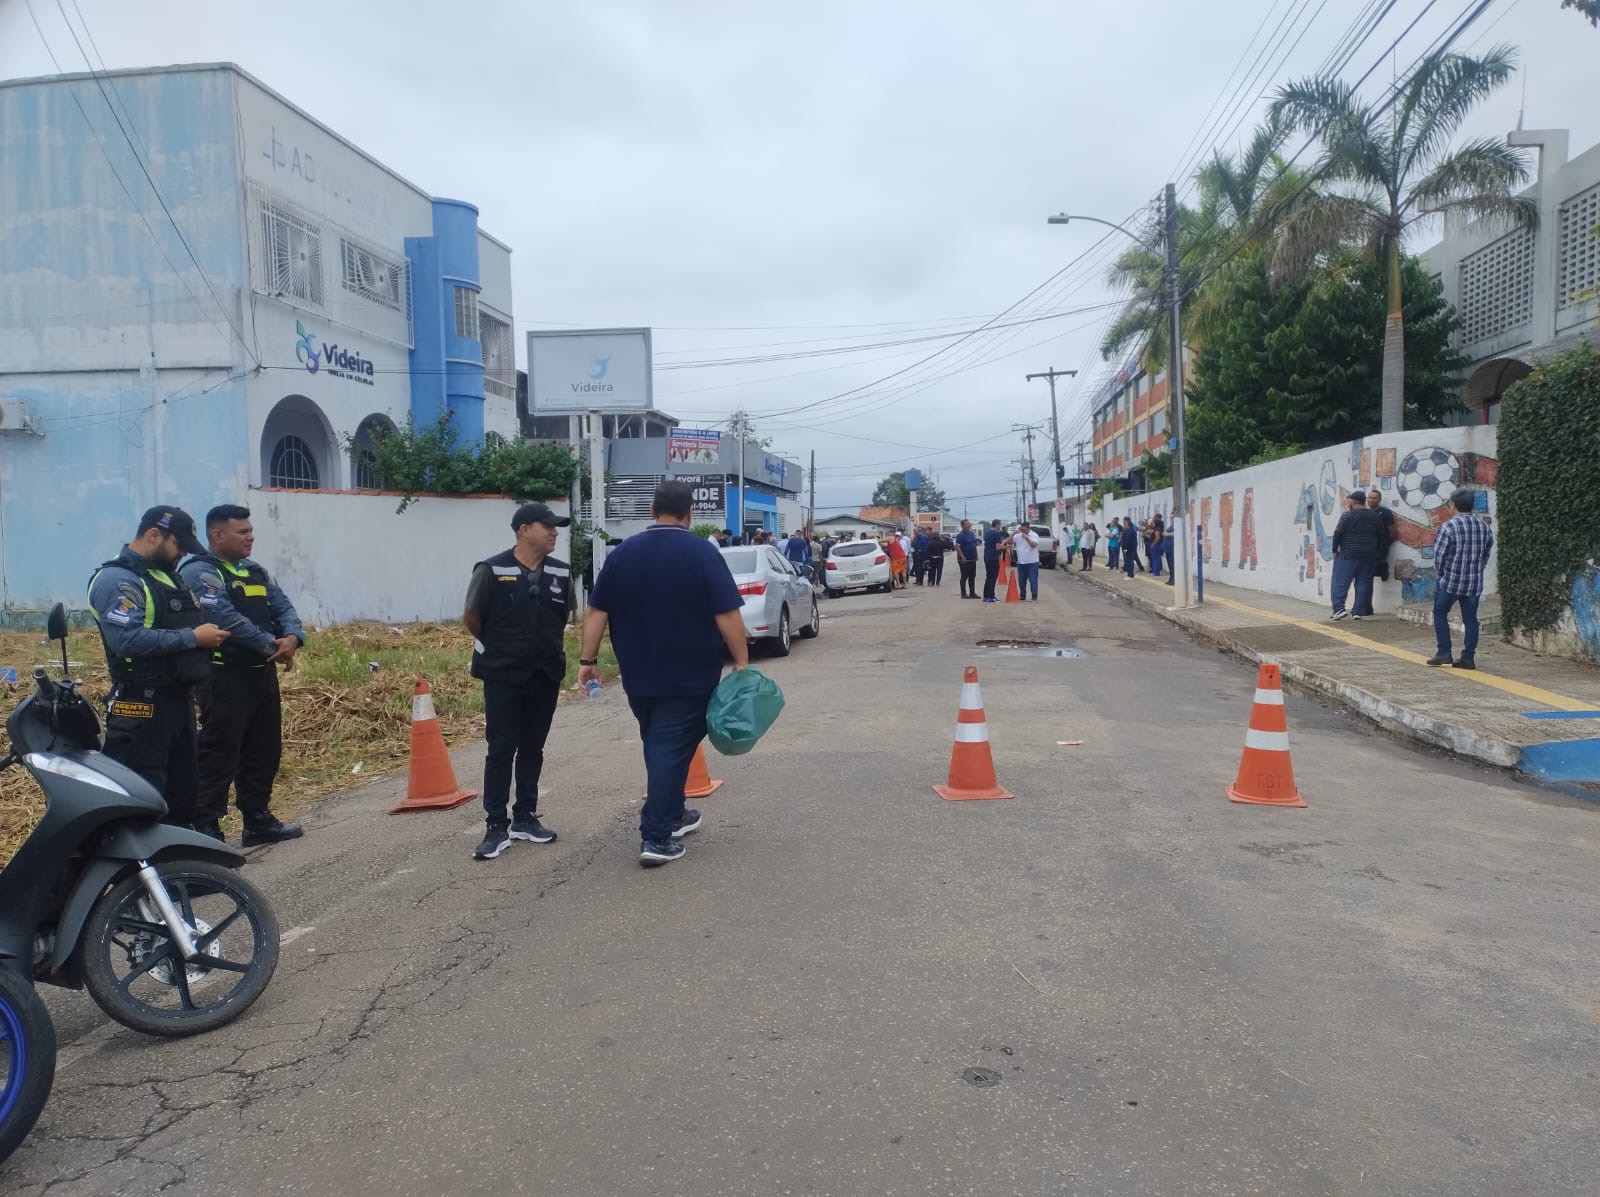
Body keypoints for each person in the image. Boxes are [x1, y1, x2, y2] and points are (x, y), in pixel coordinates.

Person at [578, 482, 749, 867]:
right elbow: (727, 613)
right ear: (689, 512)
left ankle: (674, 814)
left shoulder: (623, 553)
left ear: (652, 509)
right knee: (668, 748)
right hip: (689, 674)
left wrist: (586, 660)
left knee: (662, 744)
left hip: (638, 674)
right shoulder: (701, 552)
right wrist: (741, 662)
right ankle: (655, 837)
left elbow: (596, 612)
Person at [88, 507, 230, 829]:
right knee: (146, 798)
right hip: (141, 704)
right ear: (154, 535)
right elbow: (126, 640)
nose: (181, 555)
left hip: (176, 701)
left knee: (183, 794)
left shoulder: (165, 575)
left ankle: (182, 874)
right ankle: (144, 876)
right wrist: (193, 637)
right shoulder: (116, 579)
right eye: (178, 546)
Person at [180, 505, 306, 845]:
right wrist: (272, 646)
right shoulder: (200, 572)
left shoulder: (255, 571)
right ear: (217, 536)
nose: (251, 537)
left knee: (264, 749)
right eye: (243, 532)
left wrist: (293, 638)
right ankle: (206, 827)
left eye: (251, 531)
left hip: (260, 675)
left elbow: (282, 607)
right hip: (223, 677)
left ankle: (257, 818)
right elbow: (224, 617)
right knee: (219, 751)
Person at [462, 501, 573, 861]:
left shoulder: (560, 572)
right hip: (503, 674)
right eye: (548, 526)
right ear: (524, 530)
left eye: (556, 527)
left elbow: (563, 616)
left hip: (545, 673)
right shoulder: (491, 569)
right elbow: (472, 616)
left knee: (532, 748)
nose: (555, 532)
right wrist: (501, 646)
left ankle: (525, 816)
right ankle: (496, 824)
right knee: (501, 749)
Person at [1427, 489, 1494, 670]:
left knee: (1440, 612)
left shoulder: (1449, 527)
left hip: (1450, 580)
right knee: (1470, 618)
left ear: (1453, 505)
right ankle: (1468, 657)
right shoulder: (1484, 527)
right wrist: (1477, 568)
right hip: (1473, 581)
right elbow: (1487, 553)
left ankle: (1444, 652)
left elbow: (1440, 555)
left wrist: (1440, 574)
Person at [1328, 491, 1384, 622]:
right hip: (1368, 555)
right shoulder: (1374, 516)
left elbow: (1338, 533)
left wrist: (1334, 549)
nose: (1347, 503)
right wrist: (1375, 551)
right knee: (1363, 583)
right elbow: (1381, 535)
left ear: (1353, 502)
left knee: (1340, 583)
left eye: (1348, 501)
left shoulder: (1347, 516)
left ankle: (1339, 610)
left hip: (1348, 554)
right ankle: (1357, 611)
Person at [1359, 489, 1399, 616]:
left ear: (1379, 500)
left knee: (1368, 575)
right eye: (1369, 497)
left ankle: (1382, 568)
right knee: (1366, 577)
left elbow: (1392, 531)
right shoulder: (1363, 512)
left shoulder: (1385, 512)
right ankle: (1366, 607)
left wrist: (1385, 543)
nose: (1371, 500)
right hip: (1366, 549)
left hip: (1380, 548)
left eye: (1374, 498)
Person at [1010, 522, 1041, 600]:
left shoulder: (1034, 535)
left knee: (1033, 580)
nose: (1022, 531)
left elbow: (1034, 545)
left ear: (1028, 528)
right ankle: (1022, 595)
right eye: (1021, 529)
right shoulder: (1018, 536)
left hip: (1032, 562)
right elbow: (1010, 542)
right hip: (1021, 562)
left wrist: (1027, 538)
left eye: (1024, 529)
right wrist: (1013, 533)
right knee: (1021, 581)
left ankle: (1034, 596)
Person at [982, 519, 1006, 602]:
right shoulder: (996, 534)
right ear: (997, 525)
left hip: (987, 557)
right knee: (993, 577)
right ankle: (990, 596)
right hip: (993, 558)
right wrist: (1007, 547)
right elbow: (998, 547)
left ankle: (986, 595)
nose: (1000, 527)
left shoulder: (988, 533)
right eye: (1000, 525)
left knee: (988, 577)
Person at [954, 519, 979, 599]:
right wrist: (962, 557)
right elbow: (957, 547)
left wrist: (976, 555)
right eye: (966, 524)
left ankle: (972, 593)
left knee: (972, 576)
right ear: (962, 526)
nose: (968, 525)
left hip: (972, 559)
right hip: (964, 560)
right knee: (964, 576)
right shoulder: (961, 535)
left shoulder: (971, 534)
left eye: (969, 523)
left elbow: (974, 545)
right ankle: (963, 594)